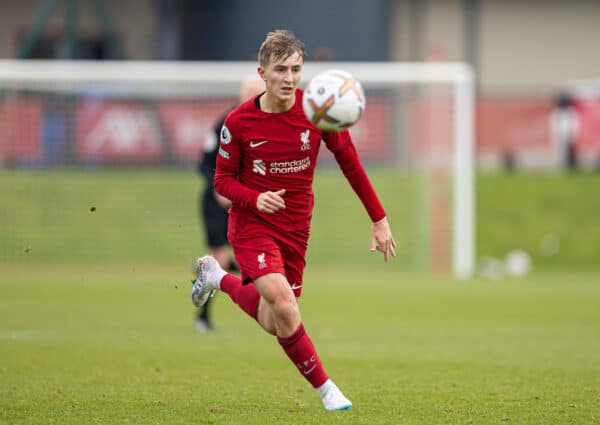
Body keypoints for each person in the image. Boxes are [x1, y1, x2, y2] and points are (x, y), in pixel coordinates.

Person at [190, 29, 396, 411]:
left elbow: (350, 163)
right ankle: (328, 390)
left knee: (275, 320)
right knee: (286, 308)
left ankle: (215, 276)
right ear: (263, 72)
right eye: (281, 69)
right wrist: (255, 198)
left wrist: (378, 218)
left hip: (296, 230)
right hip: (252, 227)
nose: (289, 78)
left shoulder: (317, 111)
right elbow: (221, 181)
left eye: (296, 69)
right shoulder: (238, 123)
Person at [195, 76, 265, 332]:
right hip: (217, 205)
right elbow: (203, 163)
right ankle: (203, 318)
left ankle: (260, 301)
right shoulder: (225, 124)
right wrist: (218, 187)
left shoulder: (265, 125)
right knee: (221, 259)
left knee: (250, 259)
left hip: (245, 203)